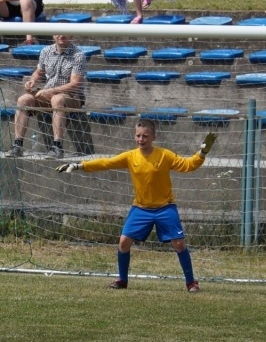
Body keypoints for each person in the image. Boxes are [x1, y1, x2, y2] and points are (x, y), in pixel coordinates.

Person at [55, 121, 217, 292]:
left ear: (154, 137)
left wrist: (202, 153)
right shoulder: (131, 156)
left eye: (145, 136)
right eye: (138, 135)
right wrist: (79, 166)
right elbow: (106, 163)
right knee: (124, 243)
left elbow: (188, 165)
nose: (141, 139)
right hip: (141, 208)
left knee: (179, 244)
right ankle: (122, 280)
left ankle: (191, 282)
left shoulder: (165, 155)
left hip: (165, 208)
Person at [4, 31, 86, 159]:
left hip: (72, 96)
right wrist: (32, 81)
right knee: (23, 99)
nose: (61, 35)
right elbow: (38, 72)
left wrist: (51, 91)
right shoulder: (46, 51)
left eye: (65, 33)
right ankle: (18, 145)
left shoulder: (78, 55)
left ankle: (57, 146)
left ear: (72, 36)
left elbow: (75, 84)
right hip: (48, 93)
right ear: (53, 35)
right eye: (58, 33)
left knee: (57, 99)